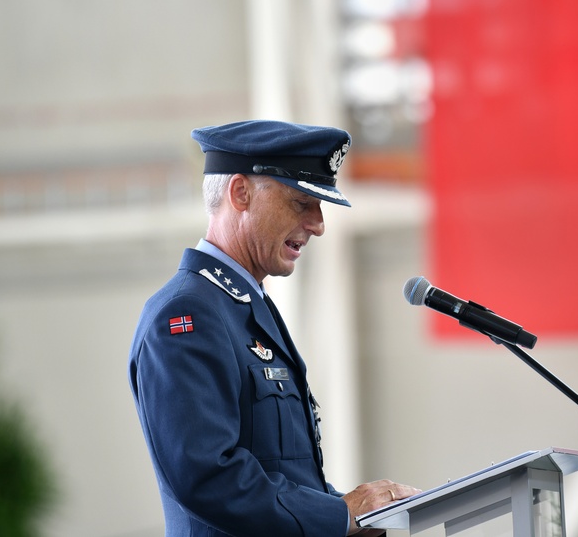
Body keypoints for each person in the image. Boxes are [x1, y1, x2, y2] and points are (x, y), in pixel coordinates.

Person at [129, 119, 419, 536]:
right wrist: (340, 515)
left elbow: (282, 475)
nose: (318, 224)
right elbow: (209, 477)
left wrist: (352, 515)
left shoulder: (242, 305)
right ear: (240, 193)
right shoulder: (186, 317)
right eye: (302, 203)